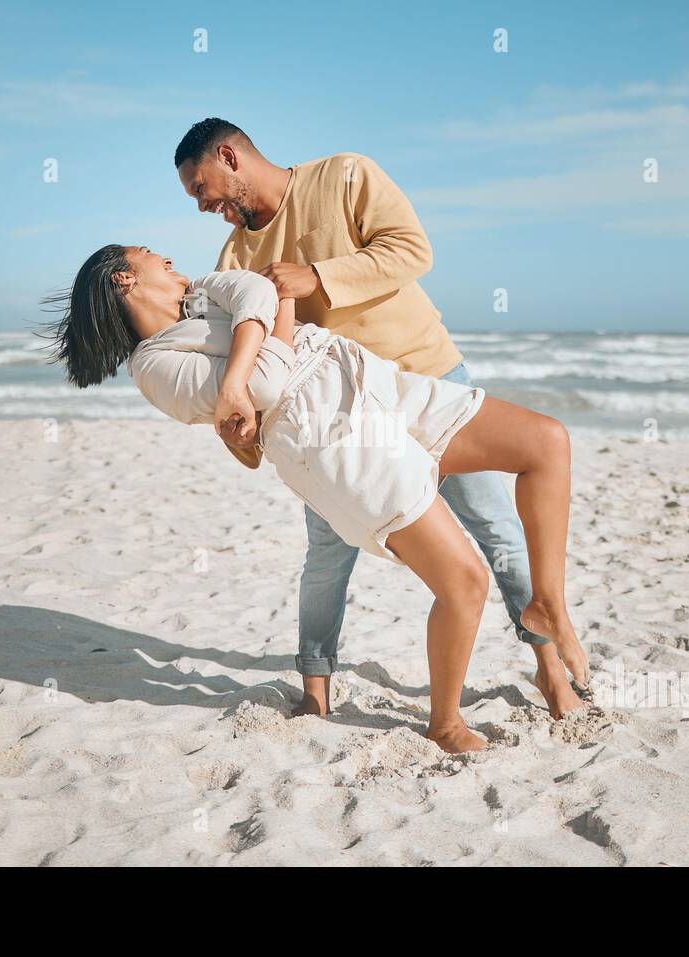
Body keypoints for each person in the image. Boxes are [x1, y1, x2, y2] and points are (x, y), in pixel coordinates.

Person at [44, 245, 588, 753]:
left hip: (366, 378)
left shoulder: (203, 292)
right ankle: (445, 723)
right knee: (464, 582)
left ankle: (548, 604)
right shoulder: (157, 367)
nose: (167, 257)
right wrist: (259, 349)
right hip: (326, 436)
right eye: (150, 254)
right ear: (125, 277)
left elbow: (255, 294)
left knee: (545, 441)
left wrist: (243, 362)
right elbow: (266, 385)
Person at [174, 118, 581, 718]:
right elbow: (256, 353)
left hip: (429, 380)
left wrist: (314, 277)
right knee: (327, 554)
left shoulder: (344, 175)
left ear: (229, 156)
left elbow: (412, 250)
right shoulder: (236, 255)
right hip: (341, 423)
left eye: (200, 187)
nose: (203, 204)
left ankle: (551, 672)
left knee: (497, 529)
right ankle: (316, 689)